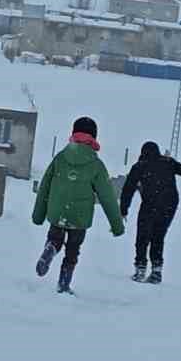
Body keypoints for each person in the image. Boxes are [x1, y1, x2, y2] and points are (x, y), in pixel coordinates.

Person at [32, 117, 124, 295]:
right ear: (94, 137)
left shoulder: (60, 157)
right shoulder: (96, 165)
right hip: (80, 216)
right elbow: (108, 197)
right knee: (72, 251)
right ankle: (63, 285)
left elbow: (45, 187)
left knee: (55, 237)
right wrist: (117, 225)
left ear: (74, 133)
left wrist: (38, 215)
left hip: (58, 211)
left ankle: (50, 247)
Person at [119, 141, 181, 284]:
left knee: (143, 235)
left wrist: (123, 209)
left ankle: (140, 268)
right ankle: (156, 271)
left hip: (150, 203)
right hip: (169, 203)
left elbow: (128, 189)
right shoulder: (168, 162)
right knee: (158, 236)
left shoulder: (140, 166)